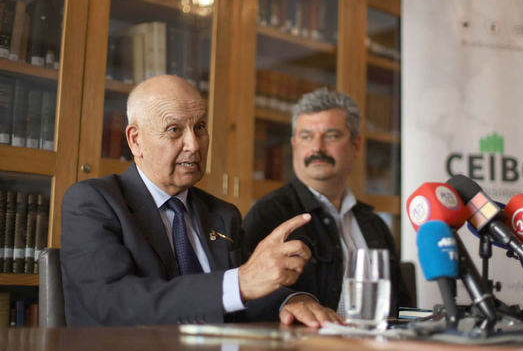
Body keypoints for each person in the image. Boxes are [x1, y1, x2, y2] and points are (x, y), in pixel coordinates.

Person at [60, 75, 342, 327]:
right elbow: (114, 303)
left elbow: (247, 292)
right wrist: (242, 281)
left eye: (200, 127)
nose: (194, 145)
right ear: (136, 140)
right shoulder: (93, 202)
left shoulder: (222, 214)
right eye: (174, 130)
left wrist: (292, 301)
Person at [243, 88, 411, 317]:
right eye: (306, 137)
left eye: (331, 135)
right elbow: (246, 298)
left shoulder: (375, 225)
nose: (317, 148)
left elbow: (403, 310)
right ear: (294, 145)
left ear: (357, 145)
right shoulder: (269, 214)